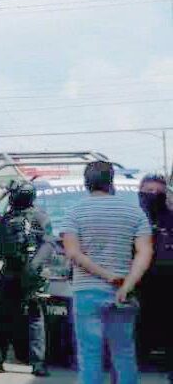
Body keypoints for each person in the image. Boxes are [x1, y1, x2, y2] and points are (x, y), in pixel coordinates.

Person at [59, 161, 154, 384]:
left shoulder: (74, 212)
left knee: (90, 356)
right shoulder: (134, 212)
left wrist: (105, 275)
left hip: (86, 292)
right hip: (123, 293)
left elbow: (73, 253)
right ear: (111, 181)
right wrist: (127, 284)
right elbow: (145, 252)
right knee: (124, 354)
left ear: (86, 183)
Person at [0, 180, 53, 377]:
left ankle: (38, 363)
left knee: (34, 319)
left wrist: (34, 266)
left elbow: (48, 243)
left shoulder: (40, 217)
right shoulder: (6, 219)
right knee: (4, 320)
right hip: (10, 273)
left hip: (30, 275)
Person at [136, 174, 173, 382]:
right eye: (148, 191)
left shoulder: (170, 219)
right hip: (138, 288)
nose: (152, 196)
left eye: (157, 192)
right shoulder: (132, 219)